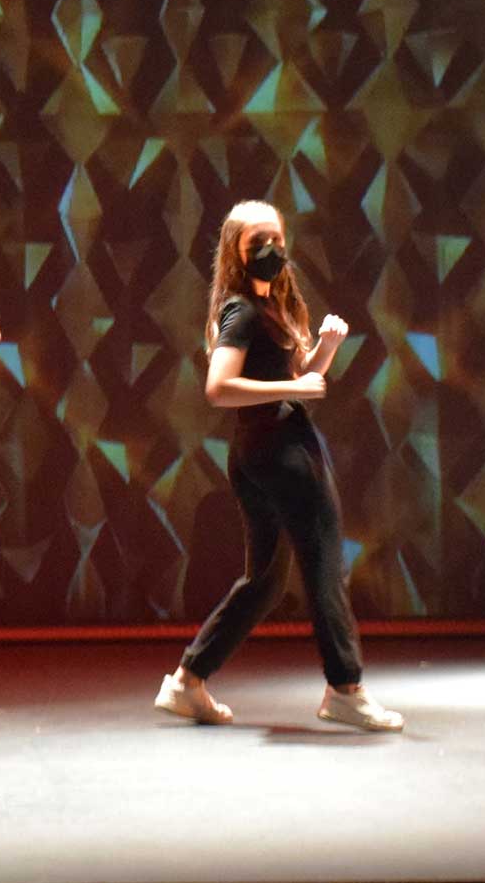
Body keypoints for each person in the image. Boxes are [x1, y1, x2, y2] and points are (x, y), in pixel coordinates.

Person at [155, 201, 403, 732]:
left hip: (259, 450)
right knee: (324, 563)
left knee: (264, 581)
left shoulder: (272, 305)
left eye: (276, 239)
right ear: (236, 253)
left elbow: (297, 379)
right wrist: (296, 387)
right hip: (281, 453)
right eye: (257, 243)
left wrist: (325, 350)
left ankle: (187, 680)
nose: (270, 250)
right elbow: (220, 388)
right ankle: (345, 689)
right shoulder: (243, 311)